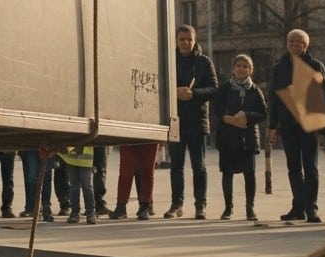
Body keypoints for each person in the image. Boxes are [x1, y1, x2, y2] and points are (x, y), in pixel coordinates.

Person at [270, 29, 325, 223]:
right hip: (288, 124)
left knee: (310, 166)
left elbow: (324, 97)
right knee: (293, 166)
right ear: (287, 44)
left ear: (306, 46)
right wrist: (272, 125)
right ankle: (298, 207)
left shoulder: (315, 65)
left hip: (309, 124)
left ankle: (311, 208)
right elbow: (273, 98)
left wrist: (324, 130)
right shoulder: (279, 67)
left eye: (299, 43)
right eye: (291, 42)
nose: (295, 46)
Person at [166, 24, 217, 219]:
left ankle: (200, 205)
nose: (185, 43)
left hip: (197, 120)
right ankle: (176, 204)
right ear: (176, 41)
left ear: (195, 40)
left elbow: (214, 89)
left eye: (189, 39)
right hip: (175, 120)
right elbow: (160, 86)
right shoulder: (169, 60)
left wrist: (193, 94)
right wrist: (175, 93)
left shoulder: (204, 62)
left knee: (199, 165)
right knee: (176, 166)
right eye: (182, 39)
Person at [212, 54, 267, 221]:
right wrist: (229, 119)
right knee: (227, 173)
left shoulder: (255, 90)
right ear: (233, 69)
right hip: (227, 137)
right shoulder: (224, 88)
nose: (241, 69)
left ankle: (250, 209)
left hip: (248, 138)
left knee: (249, 174)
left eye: (245, 66)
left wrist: (246, 116)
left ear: (250, 70)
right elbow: (216, 110)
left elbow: (263, 113)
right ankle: (228, 208)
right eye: (238, 66)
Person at [109, 143, 158, 220]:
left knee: (146, 172)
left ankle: (145, 206)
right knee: (125, 172)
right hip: (128, 139)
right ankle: (121, 207)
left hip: (149, 139)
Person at [60, 146, 97, 224]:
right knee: (75, 187)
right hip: (71, 158)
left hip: (84, 157)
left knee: (86, 186)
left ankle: (90, 213)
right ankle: (76, 213)